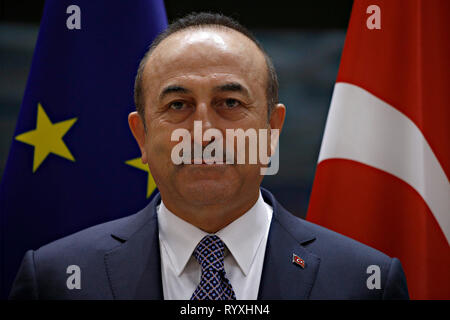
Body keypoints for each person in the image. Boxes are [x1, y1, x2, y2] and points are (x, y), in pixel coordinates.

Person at [9, 12, 409, 300]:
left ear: (272, 132)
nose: (204, 132)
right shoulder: (56, 280)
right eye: (179, 106)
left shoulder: (363, 282)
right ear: (141, 136)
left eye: (230, 103)